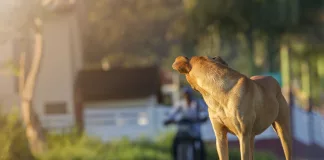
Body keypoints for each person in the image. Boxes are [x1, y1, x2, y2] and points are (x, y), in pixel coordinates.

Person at [164, 86, 209, 160]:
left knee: (199, 144)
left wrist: (203, 118)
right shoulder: (180, 104)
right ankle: (175, 157)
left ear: (191, 94)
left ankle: (200, 157)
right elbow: (172, 113)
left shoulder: (197, 102)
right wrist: (168, 120)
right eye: (185, 94)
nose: (187, 96)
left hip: (195, 128)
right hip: (183, 128)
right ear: (183, 95)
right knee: (175, 142)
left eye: (188, 94)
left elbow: (206, 111)